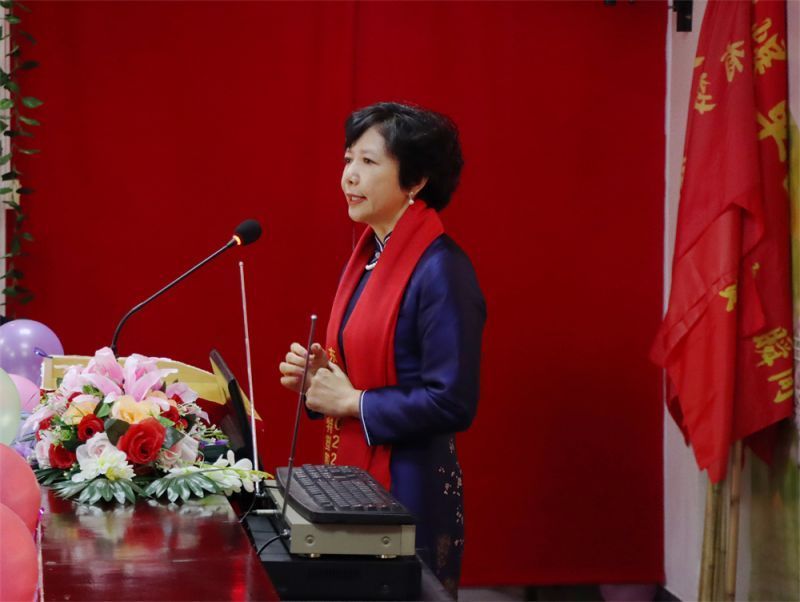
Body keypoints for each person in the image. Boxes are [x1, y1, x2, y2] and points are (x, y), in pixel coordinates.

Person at [279, 101, 485, 594]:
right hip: (359, 484)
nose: (349, 175)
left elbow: (452, 400)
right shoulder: (371, 255)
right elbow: (372, 368)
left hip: (408, 491)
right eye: (348, 159)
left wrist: (353, 402)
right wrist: (320, 380)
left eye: (368, 162)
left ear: (416, 181)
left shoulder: (441, 269)